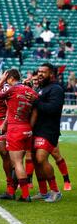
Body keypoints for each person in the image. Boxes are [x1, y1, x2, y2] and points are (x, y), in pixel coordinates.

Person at [0, 69, 38, 202]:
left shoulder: (12, 90)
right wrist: (30, 128)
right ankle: (11, 192)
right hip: (27, 129)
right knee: (19, 162)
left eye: (7, 79)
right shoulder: (31, 91)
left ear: (10, 78)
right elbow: (35, 112)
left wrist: (1, 81)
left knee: (16, 163)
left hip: (15, 129)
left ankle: (25, 195)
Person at [31, 63, 66, 202]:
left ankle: (56, 191)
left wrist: (36, 101)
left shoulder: (56, 89)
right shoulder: (41, 88)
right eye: (39, 71)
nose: (40, 74)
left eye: (43, 72)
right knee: (36, 161)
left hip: (48, 130)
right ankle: (43, 192)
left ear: (51, 74)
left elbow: (53, 108)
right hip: (37, 129)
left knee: (40, 158)